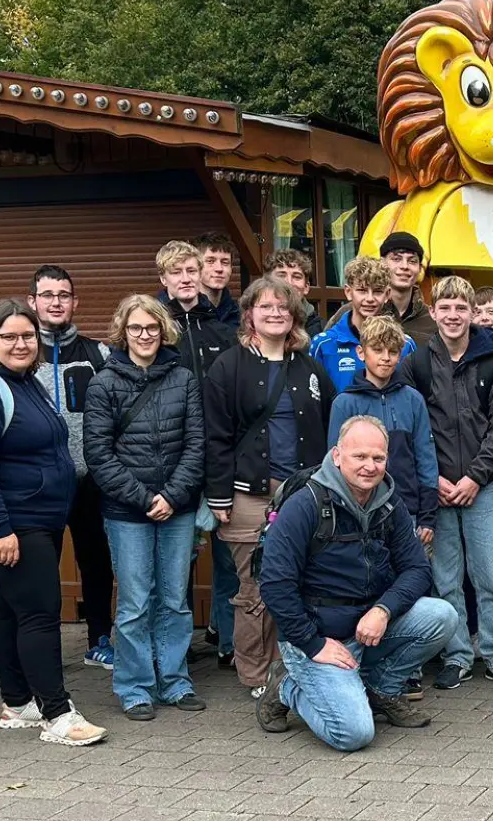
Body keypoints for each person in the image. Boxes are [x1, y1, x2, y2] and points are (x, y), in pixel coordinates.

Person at [0, 299, 107, 746]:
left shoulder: (26, 383)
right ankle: (57, 715)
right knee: (40, 616)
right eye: (9, 337)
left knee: (14, 610)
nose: (20, 344)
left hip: (37, 518)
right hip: (7, 522)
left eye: (27, 336)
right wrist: (1, 529)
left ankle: (18, 703)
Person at [254, 416, 456, 751]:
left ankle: (381, 689)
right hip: (316, 636)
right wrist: (313, 643)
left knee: (441, 616)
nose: (369, 466)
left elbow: (418, 569)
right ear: (337, 456)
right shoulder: (305, 505)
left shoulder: (390, 504)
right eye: (359, 456)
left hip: (366, 626)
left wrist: (383, 610)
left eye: (378, 458)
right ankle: (288, 687)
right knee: (353, 734)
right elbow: (275, 584)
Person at [204, 276, 335, 697]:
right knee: (255, 588)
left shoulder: (310, 367)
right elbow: (216, 434)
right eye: (266, 306)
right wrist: (219, 493)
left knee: (299, 583)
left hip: (301, 495)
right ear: (250, 315)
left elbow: (331, 425)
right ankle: (257, 675)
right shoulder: (228, 365)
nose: (275, 313)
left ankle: (290, 667)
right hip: (248, 495)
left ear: (294, 315)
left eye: (283, 307)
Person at [84, 294, 207, 721]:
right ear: (123, 331)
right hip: (126, 512)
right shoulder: (103, 382)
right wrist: (144, 497)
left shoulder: (183, 378)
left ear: (163, 330)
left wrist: (172, 495)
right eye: (136, 328)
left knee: (174, 600)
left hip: (178, 507)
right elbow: (98, 455)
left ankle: (174, 680)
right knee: (135, 602)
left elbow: (196, 444)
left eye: (152, 327)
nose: (144, 335)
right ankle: (134, 686)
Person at [402, 276, 493, 691]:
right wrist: (431, 478)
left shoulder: (492, 361)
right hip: (436, 488)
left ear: (473, 313)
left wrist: (475, 476)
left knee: (490, 576)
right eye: (445, 308)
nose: (453, 315)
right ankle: (456, 655)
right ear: (433, 313)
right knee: (446, 579)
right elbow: (410, 427)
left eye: (461, 308)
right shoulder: (416, 363)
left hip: (481, 487)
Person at [25, 265, 116, 670]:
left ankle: (99, 638)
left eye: (63, 295)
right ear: (33, 302)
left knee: (96, 562)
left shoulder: (100, 354)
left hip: (91, 479)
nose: (56, 302)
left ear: (75, 302)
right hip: (41, 483)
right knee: (40, 568)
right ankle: (43, 645)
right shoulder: (20, 352)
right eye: (47, 295)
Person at [328, 316, 438, 545]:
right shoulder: (345, 403)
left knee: (413, 575)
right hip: (360, 512)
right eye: (377, 350)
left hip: (408, 510)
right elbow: (333, 464)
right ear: (361, 352)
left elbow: (425, 457)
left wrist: (428, 516)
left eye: (393, 351)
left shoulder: (413, 400)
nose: (386, 358)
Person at [310, 256, 416, 393]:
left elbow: (411, 398)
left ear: (387, 294)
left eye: (377, 291)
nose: (370, 299)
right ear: (348, 292)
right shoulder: (323, 344)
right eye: (362, 290)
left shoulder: (405, 344)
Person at [157, 240, 233, 389]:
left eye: (191, 271)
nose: (186, 279)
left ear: (200, 274)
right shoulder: (153, 328)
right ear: (163, 279)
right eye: (176, 272)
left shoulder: (222, 331)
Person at [269, 249, 325, 340]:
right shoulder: (252, 326)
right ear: (267, 283)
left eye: (296, 277)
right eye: (281, 276)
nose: (289, 283)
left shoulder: (323, 331)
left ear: (306, 287)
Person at [191, 232, 243, 328]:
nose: (219, 268)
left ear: (232, 267)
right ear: (195, 266)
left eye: (225, 262)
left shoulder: (241, 315)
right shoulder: (185, 315)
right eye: (210, 261)